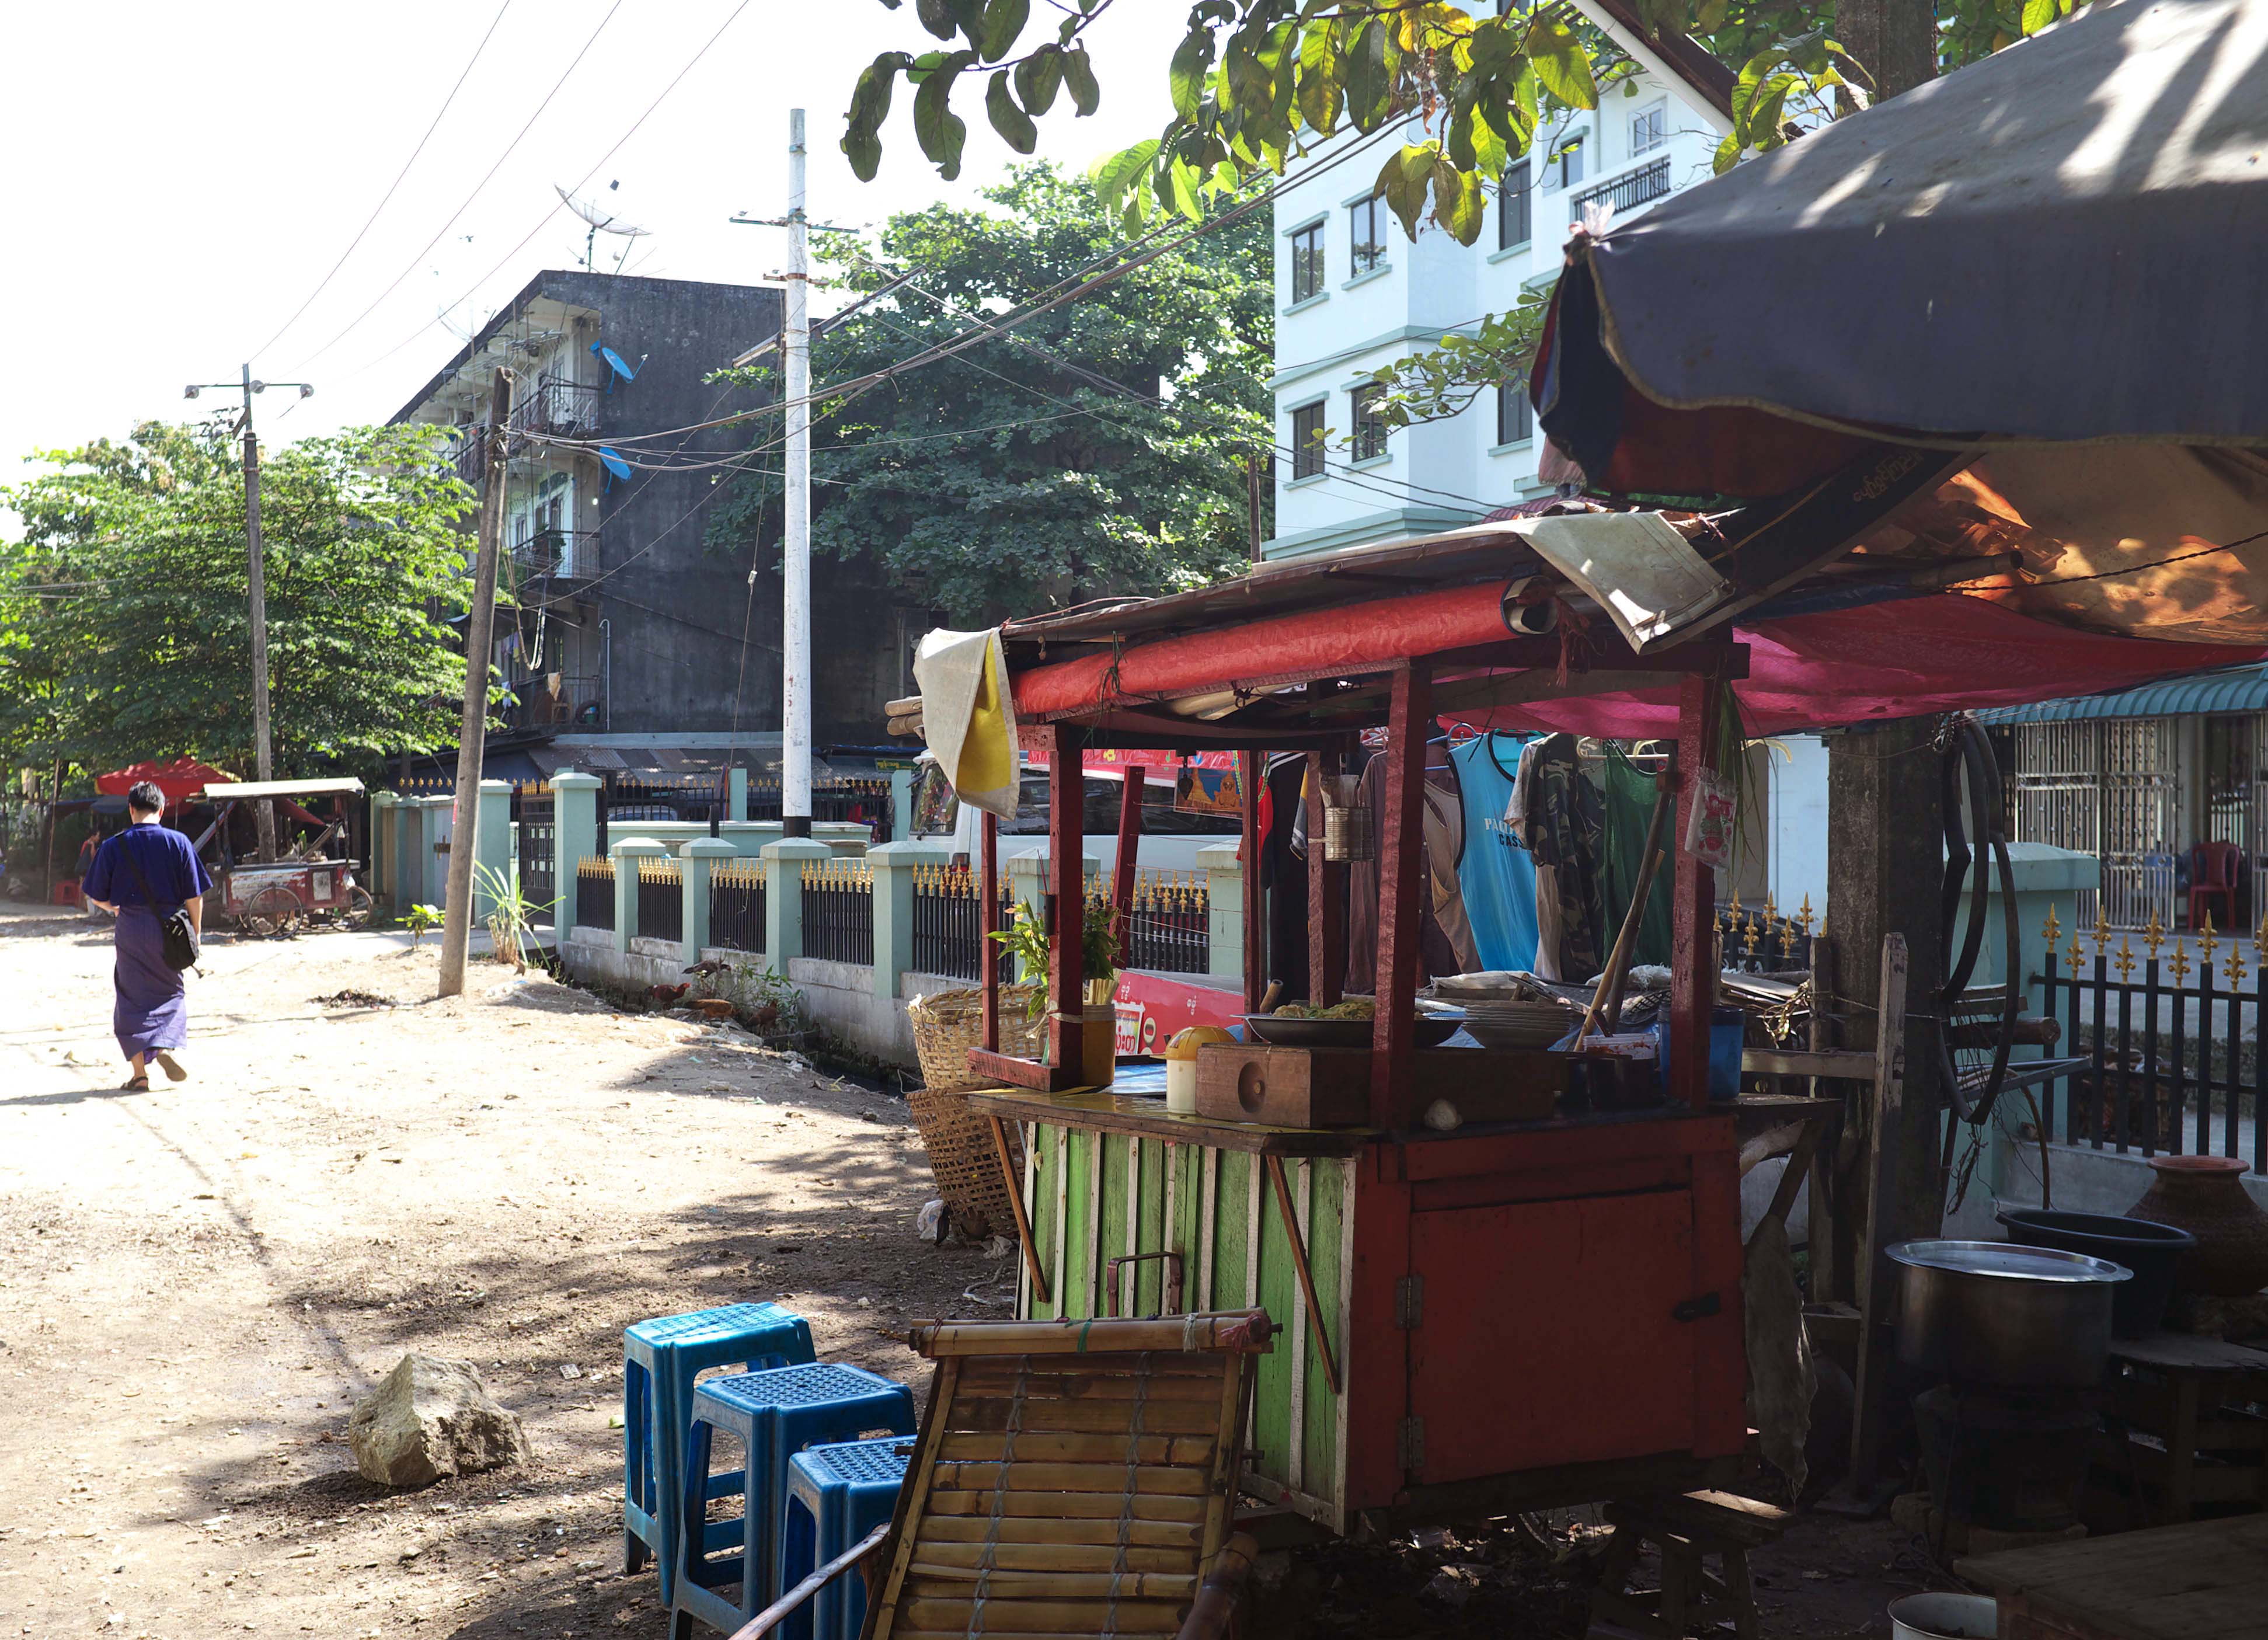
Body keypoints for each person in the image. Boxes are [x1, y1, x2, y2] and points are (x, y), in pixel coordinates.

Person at [81, 781, 212, 1091]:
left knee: (130, 995)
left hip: (129, 928)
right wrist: (196, 934)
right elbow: (195, 897)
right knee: (171, 991)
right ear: (162, 809)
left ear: (131, 809)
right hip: (170, 928)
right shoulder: (179, 842)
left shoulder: (114, 845)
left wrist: (116, 908)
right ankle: (163, 1047)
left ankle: (140, 1075)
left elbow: (96, 896)